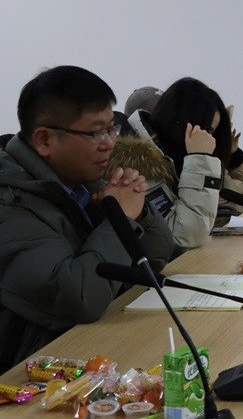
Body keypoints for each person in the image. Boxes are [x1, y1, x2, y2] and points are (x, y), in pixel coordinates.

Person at [0, 66, 175, 371]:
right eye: (96, 133)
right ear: (44, 140)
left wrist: (140, 211)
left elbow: (159, 255)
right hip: (36, 376)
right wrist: (121, 217)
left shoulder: (83, 180)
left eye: (111, 128)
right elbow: (79, 301)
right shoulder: (9, 203)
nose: (109, 143)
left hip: (96, 350)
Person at [121, 86, 243, 222]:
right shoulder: (148, 162)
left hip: (215, 203)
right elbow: (183, 230)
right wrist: (199, 158)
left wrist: (231, 153)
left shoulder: (187, 143)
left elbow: (230, 180)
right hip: (208, 212)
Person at [111, 78, 230, 250]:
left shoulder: (168, 152)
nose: (209, 139)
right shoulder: (137, 161)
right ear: (181, 122)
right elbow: (184, 237)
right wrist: (200, 158)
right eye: (206, 130)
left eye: (212, 132)